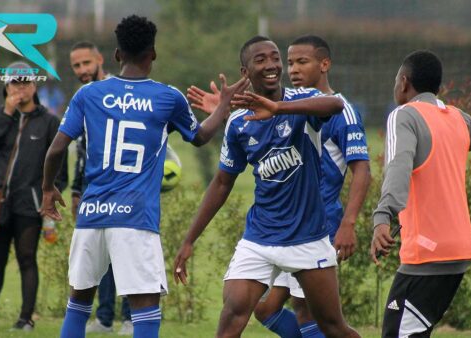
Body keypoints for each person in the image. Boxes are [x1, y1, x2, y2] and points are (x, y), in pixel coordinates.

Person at [41, 15, 249, 338]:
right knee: (145, 308)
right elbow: (200, 137)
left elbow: (55, 150)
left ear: (116, 56)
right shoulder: (168, 98)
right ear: (153, 54)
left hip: (92, 215)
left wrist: (47, 188)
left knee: (79, 303)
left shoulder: (88, 95)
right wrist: (223, 107)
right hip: (136, 218)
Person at [174, 36, 361, 338]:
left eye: (275, 58)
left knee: (333, 327)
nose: (272, 65)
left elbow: (336, 104)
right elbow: (222, 183)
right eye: (261, 60)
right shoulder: (238, 123)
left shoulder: (303, 102)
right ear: (245, 71)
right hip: (260, 238)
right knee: (232, 317)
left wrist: (278, 108)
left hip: (308, 236)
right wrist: (189, 240)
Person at [370, 50, 471, 337]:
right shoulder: (455, 118)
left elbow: (398, 167)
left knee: (397, 333)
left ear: (404, 82)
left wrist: (382, 217)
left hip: (427, 252)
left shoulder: (404, 116)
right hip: (459, 250)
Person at [0, 62, 68, 331]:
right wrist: (8, 111)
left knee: (27, 258)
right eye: (15, 83)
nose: (20, 88)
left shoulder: (49, 122)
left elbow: (61, 169)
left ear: (34, 86)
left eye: (25, 83)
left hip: (30, 204)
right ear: (6, 86)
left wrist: (47, 198)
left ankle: (25, 319)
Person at [69, 40, 133, 335]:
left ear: (99, 60)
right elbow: (81, 149)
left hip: (124, 189)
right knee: (99, 259)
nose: (82, 70)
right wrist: (75, 191)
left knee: (128, 255)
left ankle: (130, 318)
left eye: (86, 63)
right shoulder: (82, 97)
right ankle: (106, 319)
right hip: (92, 192)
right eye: (76, 66)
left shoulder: (118, 92)